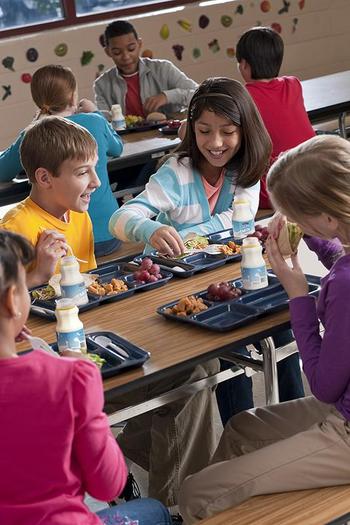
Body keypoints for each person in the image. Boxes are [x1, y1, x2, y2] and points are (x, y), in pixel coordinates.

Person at [106, 77, 270, 507]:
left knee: (206, 370)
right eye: (204, 131)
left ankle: (159, 474)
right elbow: (120, 220)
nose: (215, 143)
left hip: (208, 297)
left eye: (227, 132)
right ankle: (183, 497)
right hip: (159, 297)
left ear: (245, 131)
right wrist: (153, 226)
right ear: (191, 130)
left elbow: (241, 224)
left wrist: (195, 231)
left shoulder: (245, 172)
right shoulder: (176, 173)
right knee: (196, 375)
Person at [179, 135, 350, 523]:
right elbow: (341, 254)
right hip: (342, 410)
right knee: (242, 427)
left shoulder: (344, 285)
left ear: (326, 217)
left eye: (294, 213)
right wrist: (310, 236)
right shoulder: (342, 256)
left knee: (196, 493)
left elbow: (324, 386)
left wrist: (298, 297)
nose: (287, 218)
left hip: (345, 427)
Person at [0, 229, 172, 525]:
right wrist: (88, 397)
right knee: (154, 510)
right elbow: (109, 484)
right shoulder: (69, 378)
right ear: (14, 301)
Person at [0, 64, 123, 257]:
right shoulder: (95, 121)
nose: (95, 181)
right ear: (73, 96)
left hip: (65, 245)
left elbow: (2, 170)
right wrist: (96, 113)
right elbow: (118, 147)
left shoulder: (33, 133)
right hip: (110, 233)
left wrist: (26, 130)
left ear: (37, 101)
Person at [0, 116, 99, 288]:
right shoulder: (14, 230)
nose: (97, 182)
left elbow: (89, 284)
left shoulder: (79, 216)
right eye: (82, 172)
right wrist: (39, 275)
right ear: (45, 178)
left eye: (94, 168)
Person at [236, 26, 315, 210]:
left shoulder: (243, 96)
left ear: (244, 65)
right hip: (314, 180)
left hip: (274, 191)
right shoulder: (293, 84)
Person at [94, 19, 198, 118]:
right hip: (126, 137)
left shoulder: (163, 69)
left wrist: (167, 96)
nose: (126, 57)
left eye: (131, 49)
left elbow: (199, 95)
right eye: (117, 52)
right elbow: (103, 121)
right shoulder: (102, 84)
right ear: (108, 52)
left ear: (139, 44)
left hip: (168, 135)